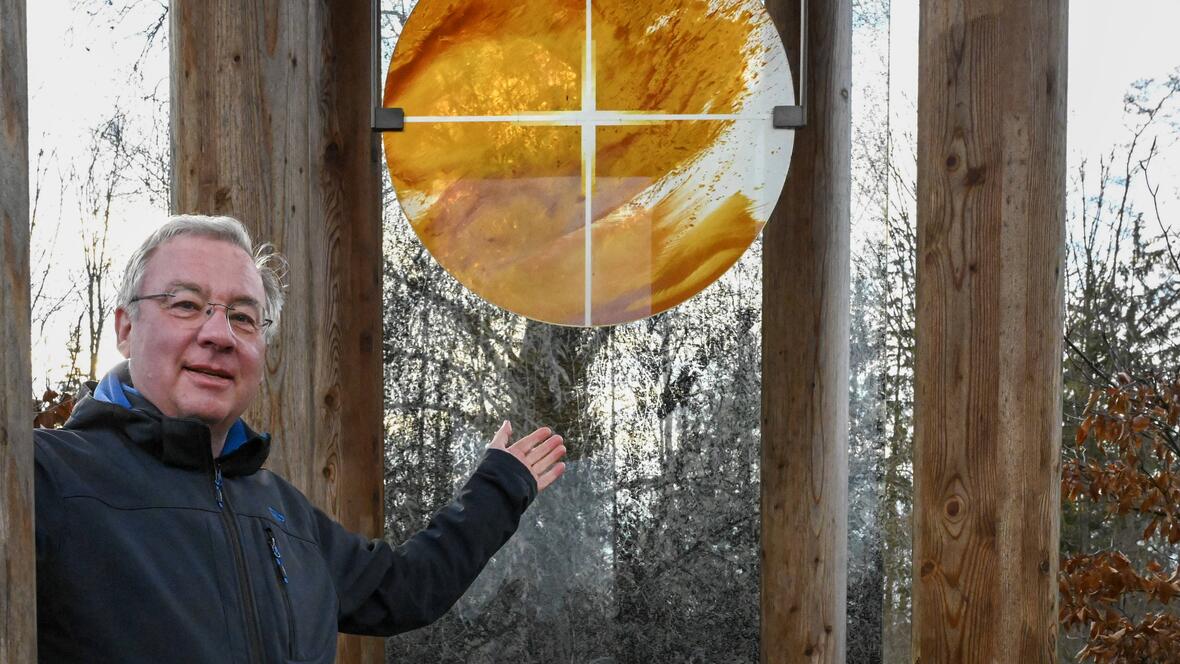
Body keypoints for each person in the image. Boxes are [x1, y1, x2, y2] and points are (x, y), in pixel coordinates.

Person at [33, 215, 567, 663]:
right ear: (126, 328)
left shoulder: (281, 511)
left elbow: (402, 590)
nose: (218, 335)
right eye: (186, 305)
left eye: (243, 317)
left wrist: (499, 488)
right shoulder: (43, 478)